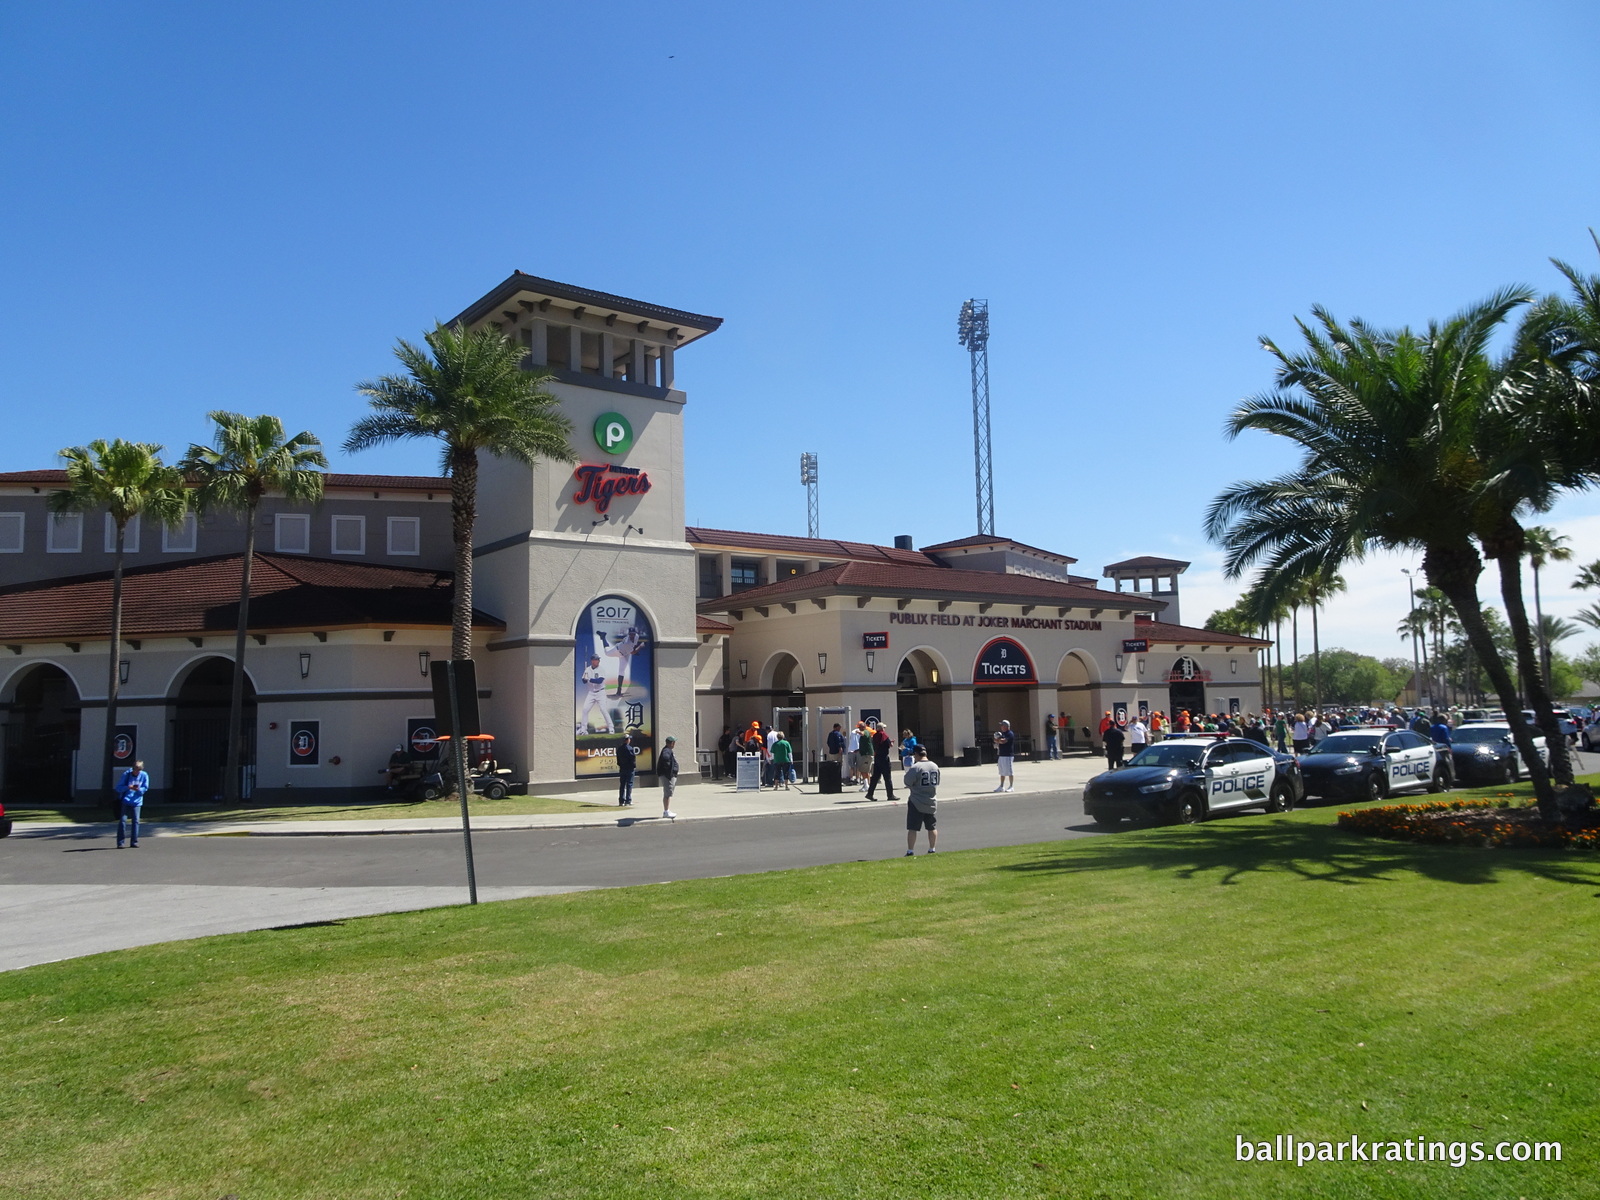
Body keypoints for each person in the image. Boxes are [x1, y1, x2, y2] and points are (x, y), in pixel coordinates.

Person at [902, 744, 940, 856]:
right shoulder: (935, 766)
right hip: (931, 800)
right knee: (931, 826)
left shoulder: (916, 767)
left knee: (913, 828)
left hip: (916, 800)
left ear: (916, 754)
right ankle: (932, 849)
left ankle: (910, 850)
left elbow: (907, 781)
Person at [116, 759, 149, 848]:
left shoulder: (144, 775)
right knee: (123, 821)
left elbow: (145, 788)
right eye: (135, 769)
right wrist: (128, 787)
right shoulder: (126, 774)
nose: (136, 772)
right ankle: (120, 842)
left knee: (136, 821)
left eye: (138, 770)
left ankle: (134, 841)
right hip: (126, 800)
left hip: (137, 801)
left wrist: (138, 789)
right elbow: (118, 787)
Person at [577, 655, 612, 735]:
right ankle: (583, 730)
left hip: (600, 692)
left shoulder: (601, 669)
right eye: (596, 660)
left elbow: (599, 681)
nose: (597, 661)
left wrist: (589, 679)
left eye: (598, 660)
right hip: (591, 693)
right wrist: (584, 678)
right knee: (585, 710)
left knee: (603, 710)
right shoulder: (587, 669)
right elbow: (584, 682)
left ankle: (611, 728)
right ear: (592, 661)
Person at [866, 722, 896, 801]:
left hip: (877, 758)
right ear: (882, 728)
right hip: (884, 758)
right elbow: (889, 745)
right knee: (887, 777)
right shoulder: (884, 735)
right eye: (884, 728)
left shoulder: (875, 736)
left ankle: (870, 793)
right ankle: (890, 795)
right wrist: (891, 743)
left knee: (875, 777)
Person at [658, 735, 679, 818]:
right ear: (672, 743)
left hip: (668, 775)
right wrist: (669, 773)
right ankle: (666, 811)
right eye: (674, 742)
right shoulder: (667, 751)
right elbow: (665, 758)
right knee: (667, 793)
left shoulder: (668, 750)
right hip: (667, 776)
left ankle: (667, 810)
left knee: (668, 793)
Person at [993, 720, 1016, 793]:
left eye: (1002, 725)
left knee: (1009, 771)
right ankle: (1001, 786)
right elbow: (998, 740)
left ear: (1006, 726)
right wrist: (997, 738)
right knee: (1002, 772)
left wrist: (998, 740)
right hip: (1002, 755)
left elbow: (1003, 741)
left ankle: (1011, 786)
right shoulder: (1002, 733)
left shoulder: (1010, 734)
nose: (1001, 727)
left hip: (1008, 755)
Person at [616, 732, 637, 805]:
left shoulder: (619, 749)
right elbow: (632, 759)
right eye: (629, 739)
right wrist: (633, 766)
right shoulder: (630, 748)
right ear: (627, 740)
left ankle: (621, 800)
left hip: (622, 768)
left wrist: (620, 765)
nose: (630, 740)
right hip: (629, 769)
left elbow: (618, 760)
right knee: (629, 784)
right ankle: (628, 800)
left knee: (622, 785)